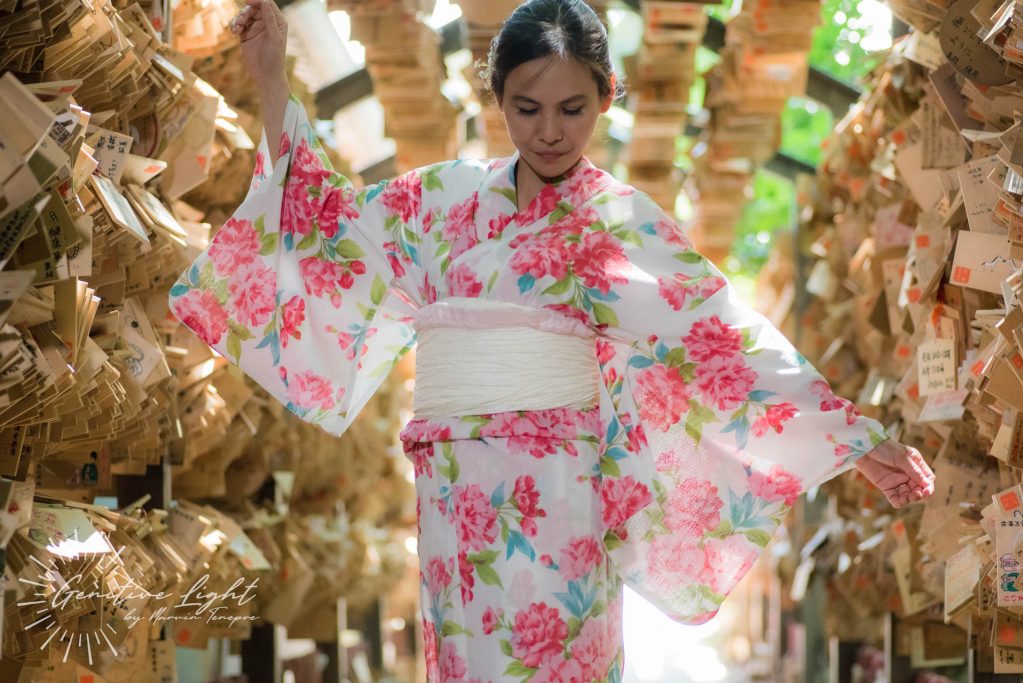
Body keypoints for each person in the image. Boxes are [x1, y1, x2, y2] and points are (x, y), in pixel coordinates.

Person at [172, 0, 936, 679]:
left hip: (563, 485)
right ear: (496, 97)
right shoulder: (437, 200)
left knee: (562, 655)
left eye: (572, 108)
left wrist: (855, 439)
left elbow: (721, 334)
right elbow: (320, 224)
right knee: (467, 659)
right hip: (453, 483)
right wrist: (272, 78)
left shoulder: (617, 219)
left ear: (608, 96)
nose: (548, 130)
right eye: (525, 107)